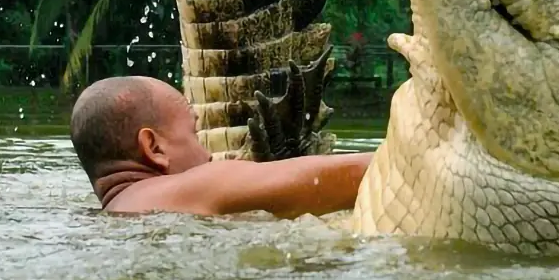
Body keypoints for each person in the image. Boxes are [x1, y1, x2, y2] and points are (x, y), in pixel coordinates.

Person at [69, 75, 371, 216]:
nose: (208, 153)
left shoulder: (114, 215)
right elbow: (353, 176)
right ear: (154, 148)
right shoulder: (189, 188)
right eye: (194, 133)